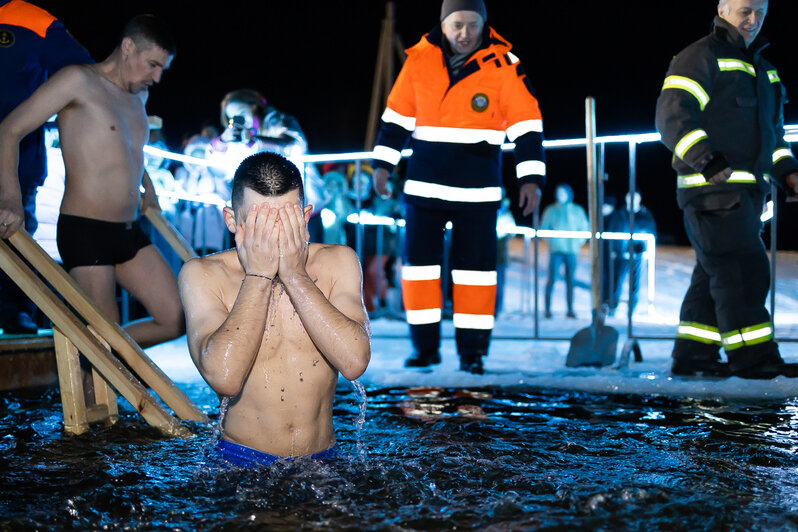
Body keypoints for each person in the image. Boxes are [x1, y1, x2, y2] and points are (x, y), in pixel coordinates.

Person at [371, 0, 545, 374]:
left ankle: (473, 354)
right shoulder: (417, 61)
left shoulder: (504, 65)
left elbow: (527, 126)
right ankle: (424, 350)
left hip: (478, 196)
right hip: (423, 190)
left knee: (476, 277)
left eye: (472, 24)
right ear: (443, 25)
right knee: (419, 273)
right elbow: (396, 118)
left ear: (484, 25)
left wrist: (531, 179)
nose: (465, 33)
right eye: (457, 25)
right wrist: (383, 165)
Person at [0, 14, 184, 348]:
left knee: (175, 318)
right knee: (105, 337)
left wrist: (148, 186)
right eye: (152, 64)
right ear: (128, 47)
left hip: (128, 231)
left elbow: (127, 148)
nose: (156, 78)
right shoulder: (77, 81)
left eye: (162, 70)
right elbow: (9, 130)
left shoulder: (137, 97)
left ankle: (92, 357)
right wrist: (10, 199)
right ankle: (97, 369)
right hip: (86, 232)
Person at [178, 152, 370, 467]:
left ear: (305, 217)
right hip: (240, 463)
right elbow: (224, 377)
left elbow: (354, 362)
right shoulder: (203, 274)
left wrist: (295, 275)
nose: (273, 235)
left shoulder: (338, 261)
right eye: (259, 223)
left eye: (285, 221)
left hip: (323, 461)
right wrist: (258, 276)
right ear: (232, 221)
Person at [655, 0, 798, 378]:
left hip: (747, 196)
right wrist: (705, 158)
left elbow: (773, 135)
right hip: (711, 192)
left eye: (761, 12)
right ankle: (755, 359)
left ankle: (693, 357)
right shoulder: (700, 56)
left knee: (714, 273)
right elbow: (672, 113)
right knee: (743, 271)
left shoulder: (764, 70)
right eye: (745, 11)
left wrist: (787, 171)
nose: (753, 20)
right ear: (723, 7)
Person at [0, 0, 93, 333]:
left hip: (17, 164)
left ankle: (15, 312)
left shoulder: (30, 19)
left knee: (15, 238)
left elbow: (85, 73)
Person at [602, 190, 656, 316]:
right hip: (621, 255)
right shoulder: (619, 214)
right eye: (630, 197)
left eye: (635, 198)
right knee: (617, 282)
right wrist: (616, 250)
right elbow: (612, 232)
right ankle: (613, 307)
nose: (632, 200)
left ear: (639, 199)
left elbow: (651, 232)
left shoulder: (645, 215)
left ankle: (631, 309)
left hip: (638, 256)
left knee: (635, 284)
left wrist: (642, 249)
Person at [540, 184, 588, 319]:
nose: (561, 195)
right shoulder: (551, 210)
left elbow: (584, 228)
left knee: (570, 281)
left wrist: (577, 242)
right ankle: (547, 309)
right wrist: (553, 241)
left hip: (571, 251)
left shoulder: (577, 210)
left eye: (563, 193)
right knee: (552, 279)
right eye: (559, 192)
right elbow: (544, 227)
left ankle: (570, 309)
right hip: (556, 251)